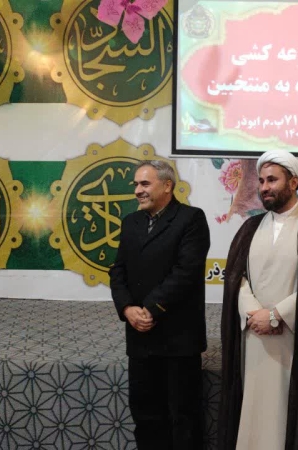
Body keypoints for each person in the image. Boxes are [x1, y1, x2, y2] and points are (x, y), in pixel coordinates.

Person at [219, 149, 298, 450]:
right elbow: (236, 278)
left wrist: (276, 315)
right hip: (253, 336)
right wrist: (254, 312)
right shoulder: (249, 228)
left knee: (287, 421)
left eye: (272, 180)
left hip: (296, 341)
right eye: (262, 181)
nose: (264, 187)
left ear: (293, 183)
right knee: (253, 414)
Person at [109, 160, 210, 449]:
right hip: (140, 335)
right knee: (146, 416)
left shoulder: (191, 218)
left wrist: (151, 309)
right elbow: (118, 271)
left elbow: (186, 272)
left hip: (178, 338)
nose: (137, 191)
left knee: (183, 417)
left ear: (167, 186)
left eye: (145, 184)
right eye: (136, 185)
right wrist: (127, 309)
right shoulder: (131, 222)